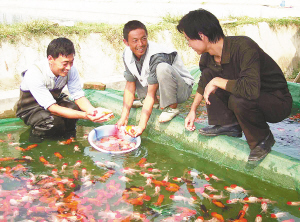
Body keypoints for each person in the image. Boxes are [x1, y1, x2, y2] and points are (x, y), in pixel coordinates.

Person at [177, 9, 292, 161]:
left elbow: (250, 89)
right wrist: (193, 111)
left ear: (201, 36)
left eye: (188, 39)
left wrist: (217, 81)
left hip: (277, 102)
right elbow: (204, 81)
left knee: (238, 99)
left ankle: (263, 139)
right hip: (251, 96)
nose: (188, 44)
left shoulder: (244, 47)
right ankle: (228, 124)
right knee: (210, 75)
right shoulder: (207, 57)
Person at [16, 37, 113, 141]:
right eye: (65, 63)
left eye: (71, 62)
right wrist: (85, 115)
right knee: (53, 123)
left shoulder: (71, 70)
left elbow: (78, 96)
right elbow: (52, 108)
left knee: (74, 109)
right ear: (50, 59)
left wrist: (93, 111)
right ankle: (36, 141)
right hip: (30, 108)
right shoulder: (35, 73)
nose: (68, 67)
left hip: (53, 100)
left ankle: (69, 139)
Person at [117, 20, 194, 137]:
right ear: (126, 42)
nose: (141, 44)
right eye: (135, 41)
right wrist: (123, 118)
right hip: (160, 90)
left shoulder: (157, 55)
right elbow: (129, 86)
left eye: (143, 38)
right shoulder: (126, 54)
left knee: (162, 68)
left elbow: (151, 94)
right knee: (136, 72)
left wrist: (141, 126)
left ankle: (171, 107)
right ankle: (155, 104)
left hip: (181, 90)